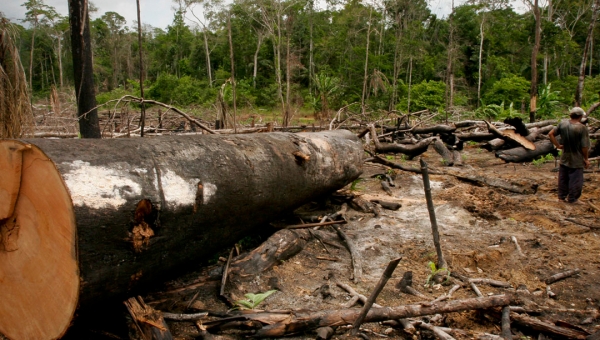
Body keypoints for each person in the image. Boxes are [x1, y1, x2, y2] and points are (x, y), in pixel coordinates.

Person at [548, 106, 591, 204]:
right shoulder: (582, 128)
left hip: (565, 156)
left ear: (571, 115)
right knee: (576, 179)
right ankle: (573, 199)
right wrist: (586, 159)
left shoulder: (563, 124)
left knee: (563, 178)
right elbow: (584, 146)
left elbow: (551, 134)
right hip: (577, 158)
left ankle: (561, 198)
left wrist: (558, 145)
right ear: (580, 116)